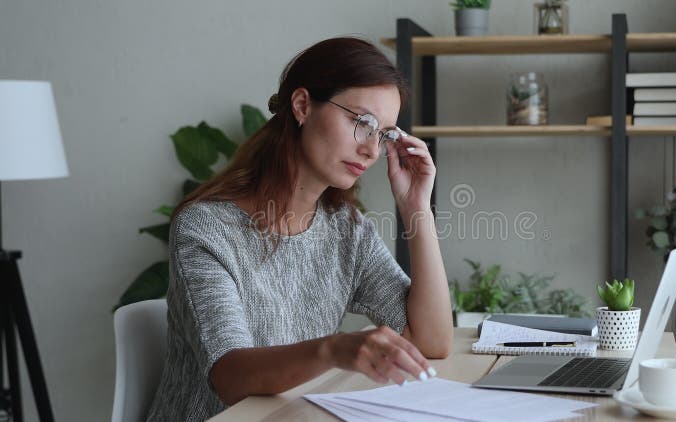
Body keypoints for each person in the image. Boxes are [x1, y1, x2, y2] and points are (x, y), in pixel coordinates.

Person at [146, 37, 453, 421]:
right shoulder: (206, 228)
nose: (372, 150)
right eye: (362, 122)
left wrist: (416, 208)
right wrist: (333, 349)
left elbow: (433, 341)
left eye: (384, 133)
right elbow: (230, 376)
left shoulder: (347, 231)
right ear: (303, 105)